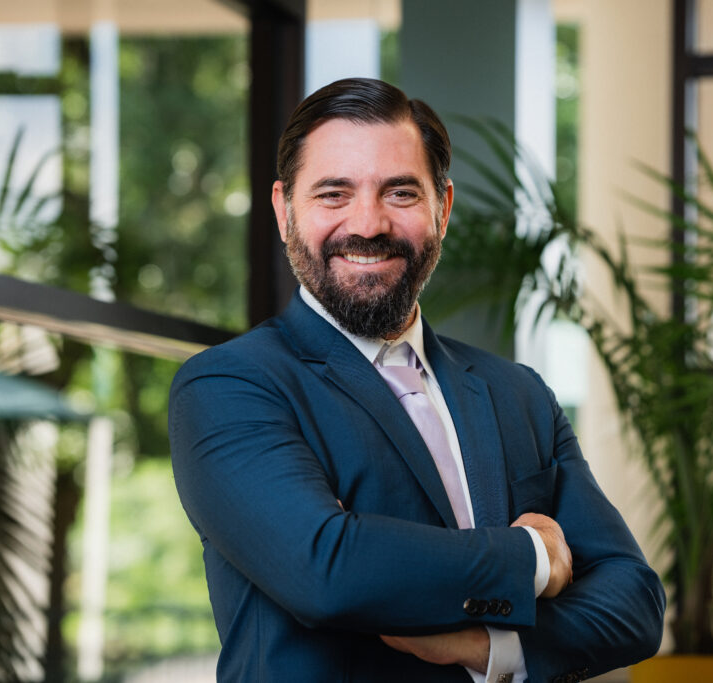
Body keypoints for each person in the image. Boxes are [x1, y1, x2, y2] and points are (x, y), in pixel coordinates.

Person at [169, 77, 665, 683]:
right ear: (283, 210)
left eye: (400, 192)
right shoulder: (228, 386)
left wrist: (486, 646)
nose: (368, 223)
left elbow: (635, 602)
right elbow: (328, 571)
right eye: (333, 193)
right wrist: (536, 555)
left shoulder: (520, 395)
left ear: (443, 209)